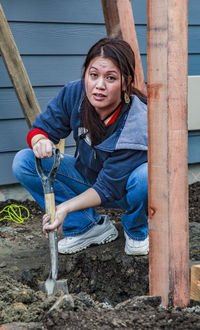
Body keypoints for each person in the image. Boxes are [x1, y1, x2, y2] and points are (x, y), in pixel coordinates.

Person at [12, 37, 148, 256]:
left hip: (125, 189)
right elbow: (41, 128)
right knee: (25, 161)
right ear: (85, 73)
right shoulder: (75, 94)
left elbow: (108, 188)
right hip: (87, 177)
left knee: (146, 177)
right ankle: (87, 227)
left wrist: (63, 208)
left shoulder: (137, 120)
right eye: (93, 75)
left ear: (125, 82)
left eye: (110, 78)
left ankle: (137, 231)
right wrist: (40, 141)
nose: (99, 85)